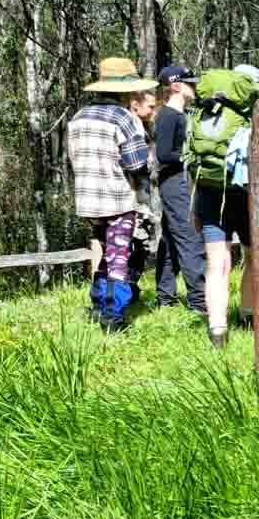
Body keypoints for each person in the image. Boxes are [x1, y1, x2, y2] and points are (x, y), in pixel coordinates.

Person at [67, 56, 157, 332]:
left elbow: (73, 158)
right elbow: (136, 164)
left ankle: (97, 304)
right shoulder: (123, 118)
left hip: (87, 199)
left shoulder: (78, 117)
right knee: (119, 255)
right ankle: (113, 317)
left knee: (105, 253)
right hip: (116, 198)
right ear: (126, 90)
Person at [193, 62, 259, 350]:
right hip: (245, 196)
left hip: (210, 195)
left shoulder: (204, 112)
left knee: (217, 265)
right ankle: (248, 316)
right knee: (253, 257)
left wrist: (195, 209)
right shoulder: (250, 114)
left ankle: (218, 331)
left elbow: (193, 162)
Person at [150, 65, 207, 315]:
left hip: (181, 181)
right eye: (189, 83)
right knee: (190, 237)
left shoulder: (183, 115)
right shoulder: (169, 116)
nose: (194, 87)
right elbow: (163, 154)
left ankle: (166, 297)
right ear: (175, 86)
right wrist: (191, 156)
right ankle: (199, 302)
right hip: (175, 183)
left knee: (172, 239)